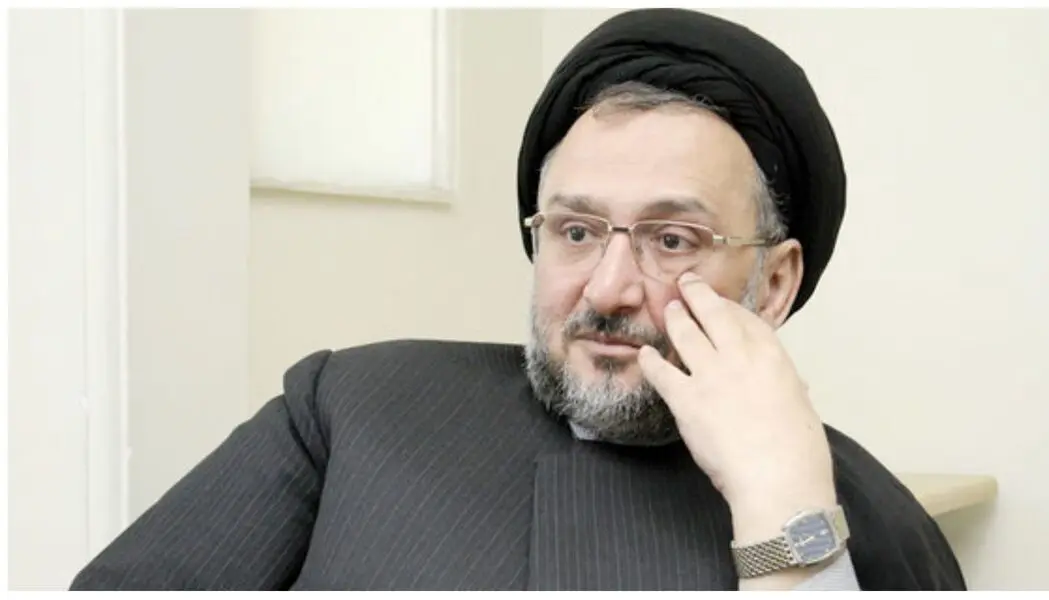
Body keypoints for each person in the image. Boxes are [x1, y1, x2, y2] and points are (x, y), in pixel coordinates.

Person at [70, 8, 966, 591]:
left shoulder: (876, 525)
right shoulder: (351, 407)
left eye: (671, 240)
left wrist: (787, 521)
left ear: (772, 282)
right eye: (576, 230)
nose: (608, 288)